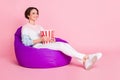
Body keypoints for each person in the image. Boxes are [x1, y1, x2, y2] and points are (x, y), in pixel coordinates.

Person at [21, 7, 102, 70]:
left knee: (64, 44)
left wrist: (50, 39)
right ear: (28, 15)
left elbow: (44, 36)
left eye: (37, 13)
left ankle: (84, 61)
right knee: (60, 45)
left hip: (44, 44)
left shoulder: (39, 27)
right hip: (36, 47)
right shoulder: (25, 28)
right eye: (33, 13)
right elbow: (25, 43)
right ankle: (86, 57)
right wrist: (41, 40)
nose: (36, 15)